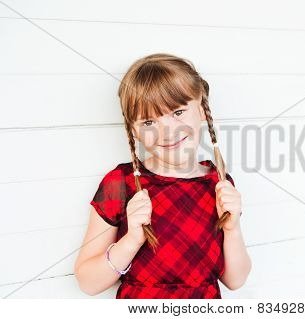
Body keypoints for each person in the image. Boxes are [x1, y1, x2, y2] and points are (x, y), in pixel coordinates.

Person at [74, 53, 252, 298]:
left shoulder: (219, 182)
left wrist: (233, 229)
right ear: (133, 130)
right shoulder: (120, 183)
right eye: (148, 122)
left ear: (202, 109)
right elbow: (88, 282)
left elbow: (235, 280)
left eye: (177, 112)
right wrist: (132, 240)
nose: (167, 131)